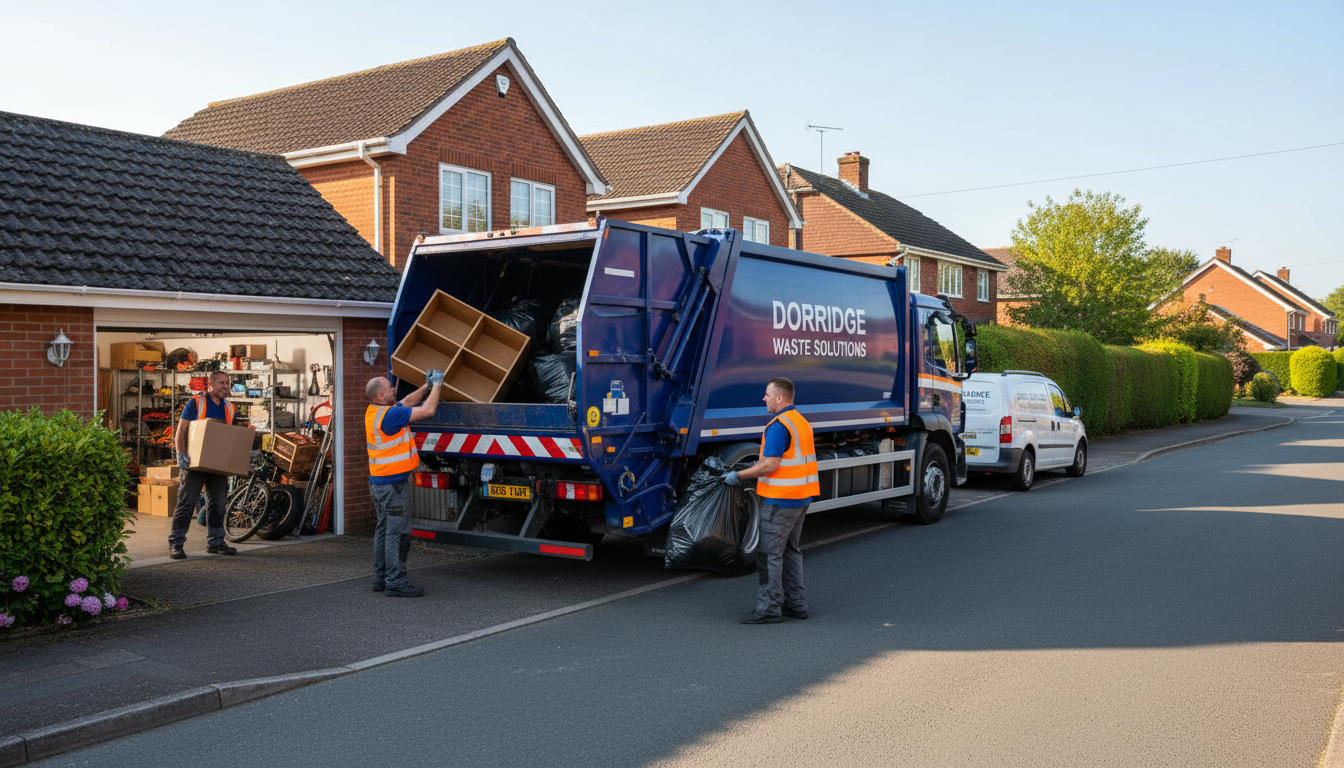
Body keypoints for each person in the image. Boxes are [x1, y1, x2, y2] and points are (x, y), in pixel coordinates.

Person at [724, 377, 819, 624]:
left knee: (769, 555)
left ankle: (768, 609)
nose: (763, 398)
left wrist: (739, 475)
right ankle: (797, 605)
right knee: (790, 552)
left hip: (780, 500)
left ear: (779, 397)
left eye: (767, 394)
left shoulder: (778, 425)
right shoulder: (801, 422)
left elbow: (770, 464)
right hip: (800, 497)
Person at [366, 371, 442, 597]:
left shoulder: (375, 412)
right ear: (381, 394)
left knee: (383, 530)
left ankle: (381, 578)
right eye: (390, 388)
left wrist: (426, 386)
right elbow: (428, 410)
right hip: (393, 485)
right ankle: (396, 582)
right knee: (397, 534)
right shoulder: (390, 416)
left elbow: (407, 401)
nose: (394, 390)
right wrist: (438, 385)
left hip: (379, 483)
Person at [168, 370, 238, 559]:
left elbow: (229, 436)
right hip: (194, 462)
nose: (225, 386)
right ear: (211, 385)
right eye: (221, 383)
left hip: (217, 463)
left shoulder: (230, 407)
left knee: (218, 504)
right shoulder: (195, 403)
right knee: (186, 503)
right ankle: (176, 543)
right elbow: (181, 430)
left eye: (227, 383)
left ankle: (216, 542)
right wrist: (181, 455)